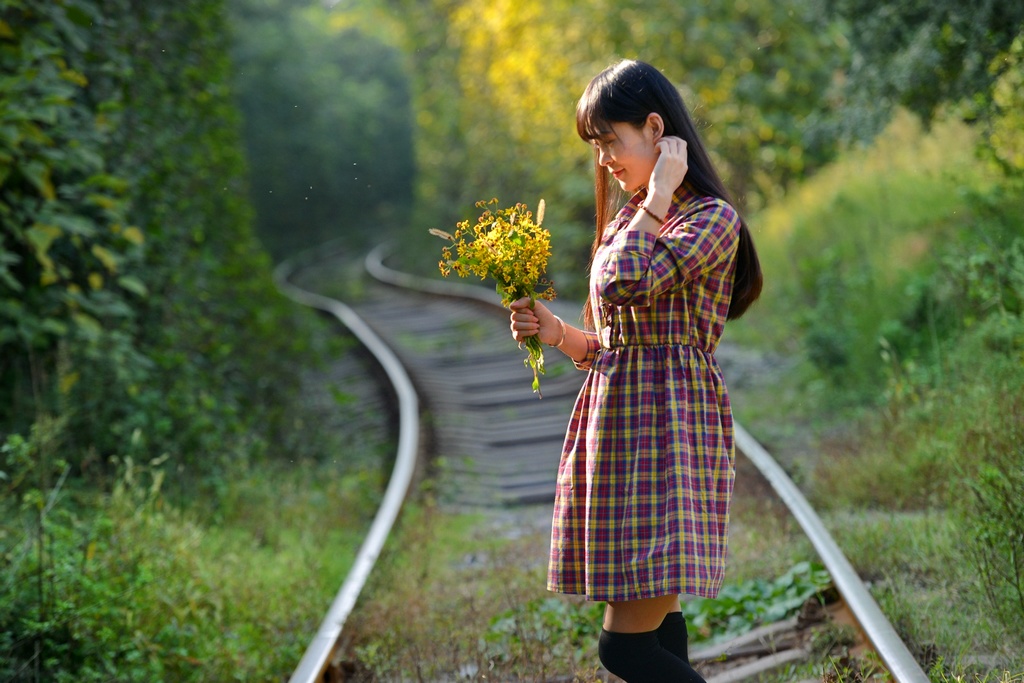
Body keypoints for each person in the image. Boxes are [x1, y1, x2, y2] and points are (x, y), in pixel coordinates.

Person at [509, 59, 762, 682]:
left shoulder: (709, 220)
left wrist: (656, 196)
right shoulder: (631, 220)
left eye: (609, 141)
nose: (603, 161)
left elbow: (623, 281)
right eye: (595, 147)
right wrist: (558, 333)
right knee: (658, 623)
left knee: (623, 650)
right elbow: (615, 342)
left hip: (666, 435)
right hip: (624, 433)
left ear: (656, 129)